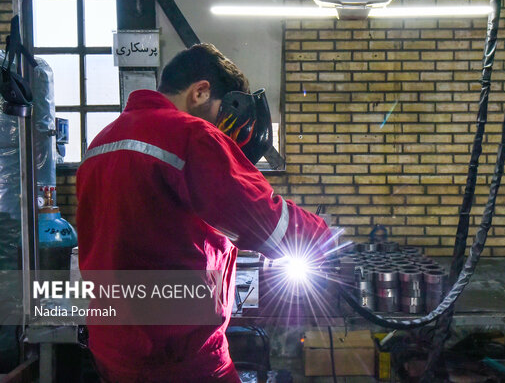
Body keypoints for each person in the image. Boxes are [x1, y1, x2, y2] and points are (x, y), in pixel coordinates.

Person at [76, 43, 332, 382]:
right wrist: (325, 239)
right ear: (200, 92)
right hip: (177, 355)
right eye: (220, 113)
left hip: (113, 348)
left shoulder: (101, 142)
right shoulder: (190, 135)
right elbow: (263, 221)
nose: (222, 129)